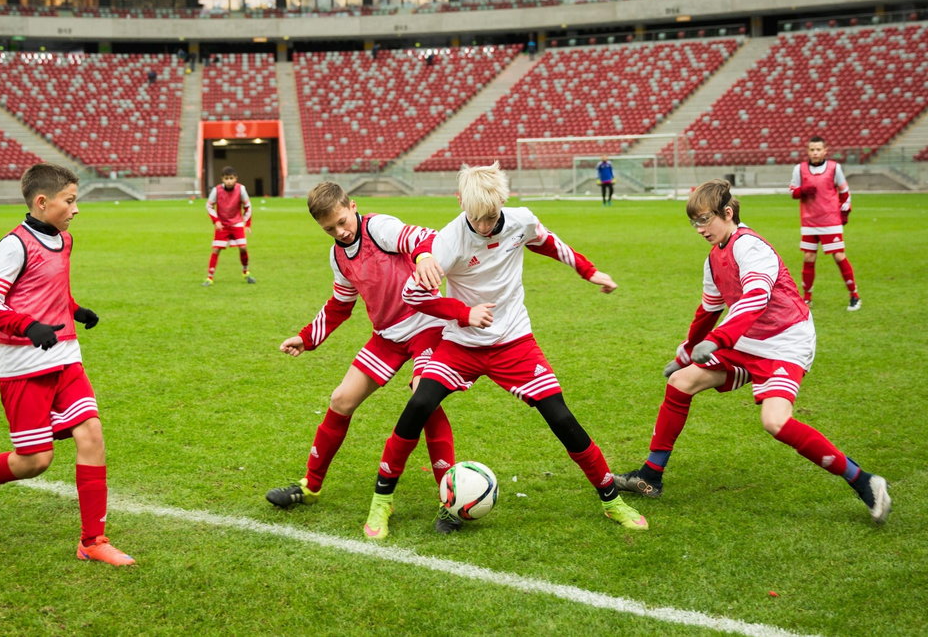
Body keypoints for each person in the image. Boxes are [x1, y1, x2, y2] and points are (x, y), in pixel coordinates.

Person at [362, 162, 648, 539]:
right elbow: (413, 295)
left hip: (514, 343)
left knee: (561, 417)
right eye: (476, 218)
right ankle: (382, 502)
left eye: (490, 217)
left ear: (503, 203)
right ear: (461, 202)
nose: (483, 226)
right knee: (418, 406)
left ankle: (611, 501)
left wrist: (589, 271)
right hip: (460, 346)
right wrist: (464, 313)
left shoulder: (520, 220)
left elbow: (549, 242)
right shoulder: (447, 241)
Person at [613, 179, 890, 525]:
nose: (699, 229)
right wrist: (686, 352)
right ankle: (650, 476)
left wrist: (717, 341)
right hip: (744, 341)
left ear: (727, 213)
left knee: (775, 422)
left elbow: (755, 299)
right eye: (694, 222)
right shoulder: (714, 259)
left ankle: (866, 482)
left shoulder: (752, 248)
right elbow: (708, 311)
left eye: (704, 220)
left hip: (786, 341)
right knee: (681, 382)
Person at [0, 162, 134, 567]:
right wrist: (28, 327)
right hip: (22, 366)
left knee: (92, 434)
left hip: (65, 356)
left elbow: (52, 291)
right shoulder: (13, 245)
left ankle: (92, 540)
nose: (76, 209)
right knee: (34, 460)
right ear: (42, 202)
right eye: (70, 200)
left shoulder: (65, 240)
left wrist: (76, 310)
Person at [266, 182, 457, 528]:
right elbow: (341, 304)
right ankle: (310, 487)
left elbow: (423, 237)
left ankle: (450, 499)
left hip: (426, 325)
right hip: (386, 337)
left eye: (342, 221)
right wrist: (306, 338)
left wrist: (425, 255)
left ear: (352, 206)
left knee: (423, 399)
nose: (339, 232)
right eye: (329, 229)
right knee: (341, 400)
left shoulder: (379, 228)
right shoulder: (338, 255)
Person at [789, 136, 859, 311]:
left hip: (830, 221)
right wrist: (802, 190)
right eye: (812, 149)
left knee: (839, 256)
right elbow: (792, 191)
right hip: (809, 221)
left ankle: (854, 296)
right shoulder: (800, 169)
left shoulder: (835, 168)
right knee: (808, 257)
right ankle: (807, 298)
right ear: (808, 151)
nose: (815, 152)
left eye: (818, 149)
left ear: (825, 151)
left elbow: (845, 192)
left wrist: (844, 212)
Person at [202, 165, 255, 286]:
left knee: (243, 247)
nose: (229, 181)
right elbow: (209, 206)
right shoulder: (216, 190)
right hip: (222, 225)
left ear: (236, 178)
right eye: (226, 178)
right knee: (216, 250)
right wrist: (216, 220)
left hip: (236, 223)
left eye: (231, 178)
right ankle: (209, 278)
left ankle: (246, 272)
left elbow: (248, 206)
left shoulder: (241, 189)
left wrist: (247, 223)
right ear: (222, 179)